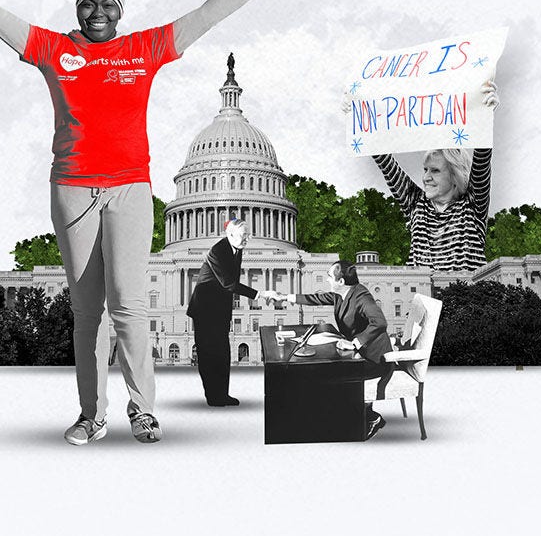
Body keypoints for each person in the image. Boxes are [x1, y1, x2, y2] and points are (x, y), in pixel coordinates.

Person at [0, 0, 292, 445]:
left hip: (130, 190)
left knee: (130, 305)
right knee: (87, 309)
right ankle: (92, 414)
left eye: (107, 4)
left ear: (119, 12)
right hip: (72, 188)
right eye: (88, 3)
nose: (97, 12)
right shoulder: (54, 49)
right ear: (78, 9)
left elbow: (204, 15)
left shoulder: (144, 48)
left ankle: (143, 410)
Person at [371, 81, 500, 271]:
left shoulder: (473, 205)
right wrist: (357, 115)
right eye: (425, 170)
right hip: (422, 297)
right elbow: (386, 164)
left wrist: (485, 117)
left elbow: (481, 162)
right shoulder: (416, 204)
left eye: (435, 170)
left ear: (455, 176)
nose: (426, 178)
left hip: (464, 296)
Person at [278, 260, 393, 440]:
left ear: (341, 282)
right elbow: (315, 298)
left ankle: (371, 418)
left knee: (332, 374)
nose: (326, 280)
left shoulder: (362, 297)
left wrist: (354, 343)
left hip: (375, 359)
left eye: (330, 277)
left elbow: (380, 322)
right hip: (359, 356)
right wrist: (284, 297)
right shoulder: (341, 294)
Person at [187, 219, 275, 406]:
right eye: (244, 235)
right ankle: (213, 397)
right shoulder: (218, 251)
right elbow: (229, 283)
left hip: (219, 309)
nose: (247, 239)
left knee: (223, 353)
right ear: (231, 235)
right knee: (208, 354)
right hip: (205, 309)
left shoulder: (237, 248)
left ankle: (223, 394)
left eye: (248, 235)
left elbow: (230, 283)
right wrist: (259, 294)